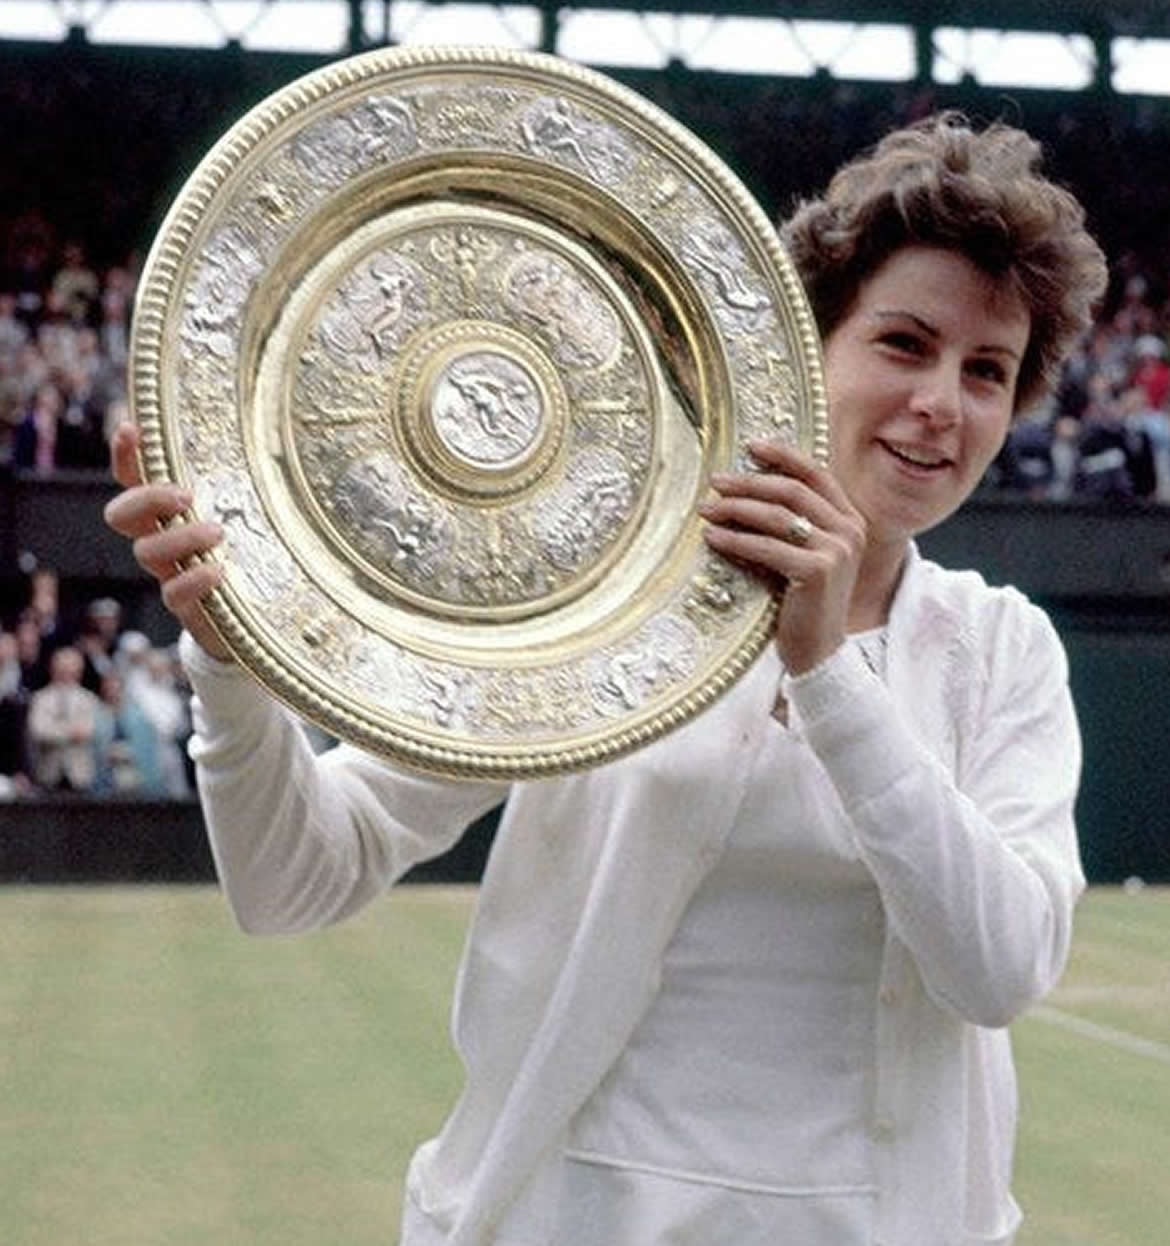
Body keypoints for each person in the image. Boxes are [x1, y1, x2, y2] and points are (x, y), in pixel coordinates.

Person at [104, 111, 1107, 1245]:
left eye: (988, 372)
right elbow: (294, 878)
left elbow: (1000, 968)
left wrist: (827, 672)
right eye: (904, 344)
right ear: (805, 346)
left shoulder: (1001, 649)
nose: (943, 403)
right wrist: (230, 659)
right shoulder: (607, 590)